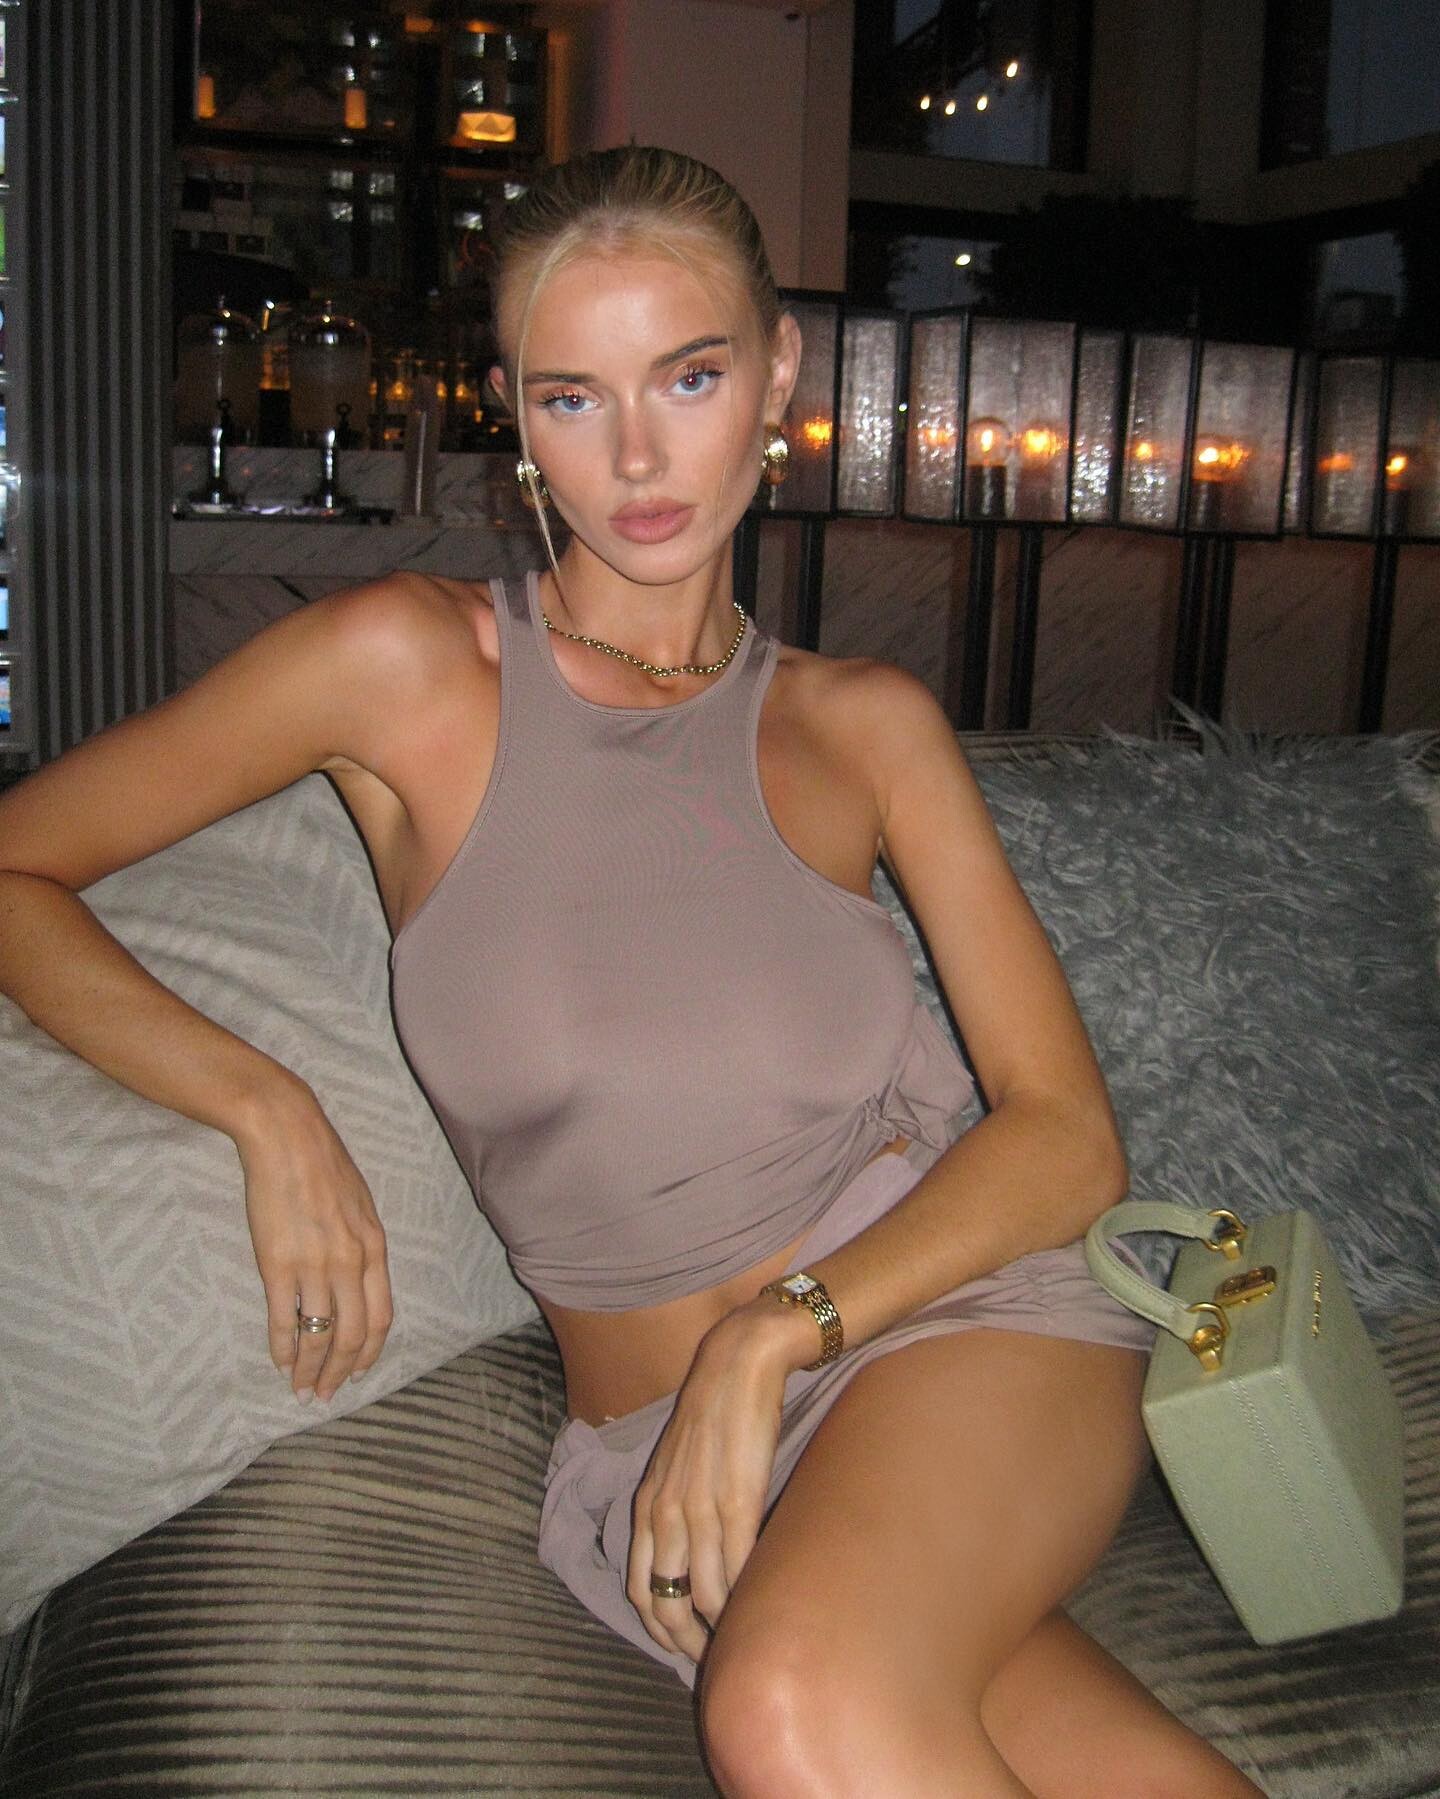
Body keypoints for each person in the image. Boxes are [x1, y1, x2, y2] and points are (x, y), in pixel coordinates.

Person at [0, 145, 1260, 1796]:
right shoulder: (407, 667)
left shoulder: (863, 726)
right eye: (574, 398)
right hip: (651, 1450)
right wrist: (262, 1105)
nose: (641, 458)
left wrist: (771, 1339)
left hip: (946, 1325)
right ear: (514, 417)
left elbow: (1066, 1138)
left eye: (691, 376)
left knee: (791, 1704)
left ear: (779, 376)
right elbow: (16, 866)